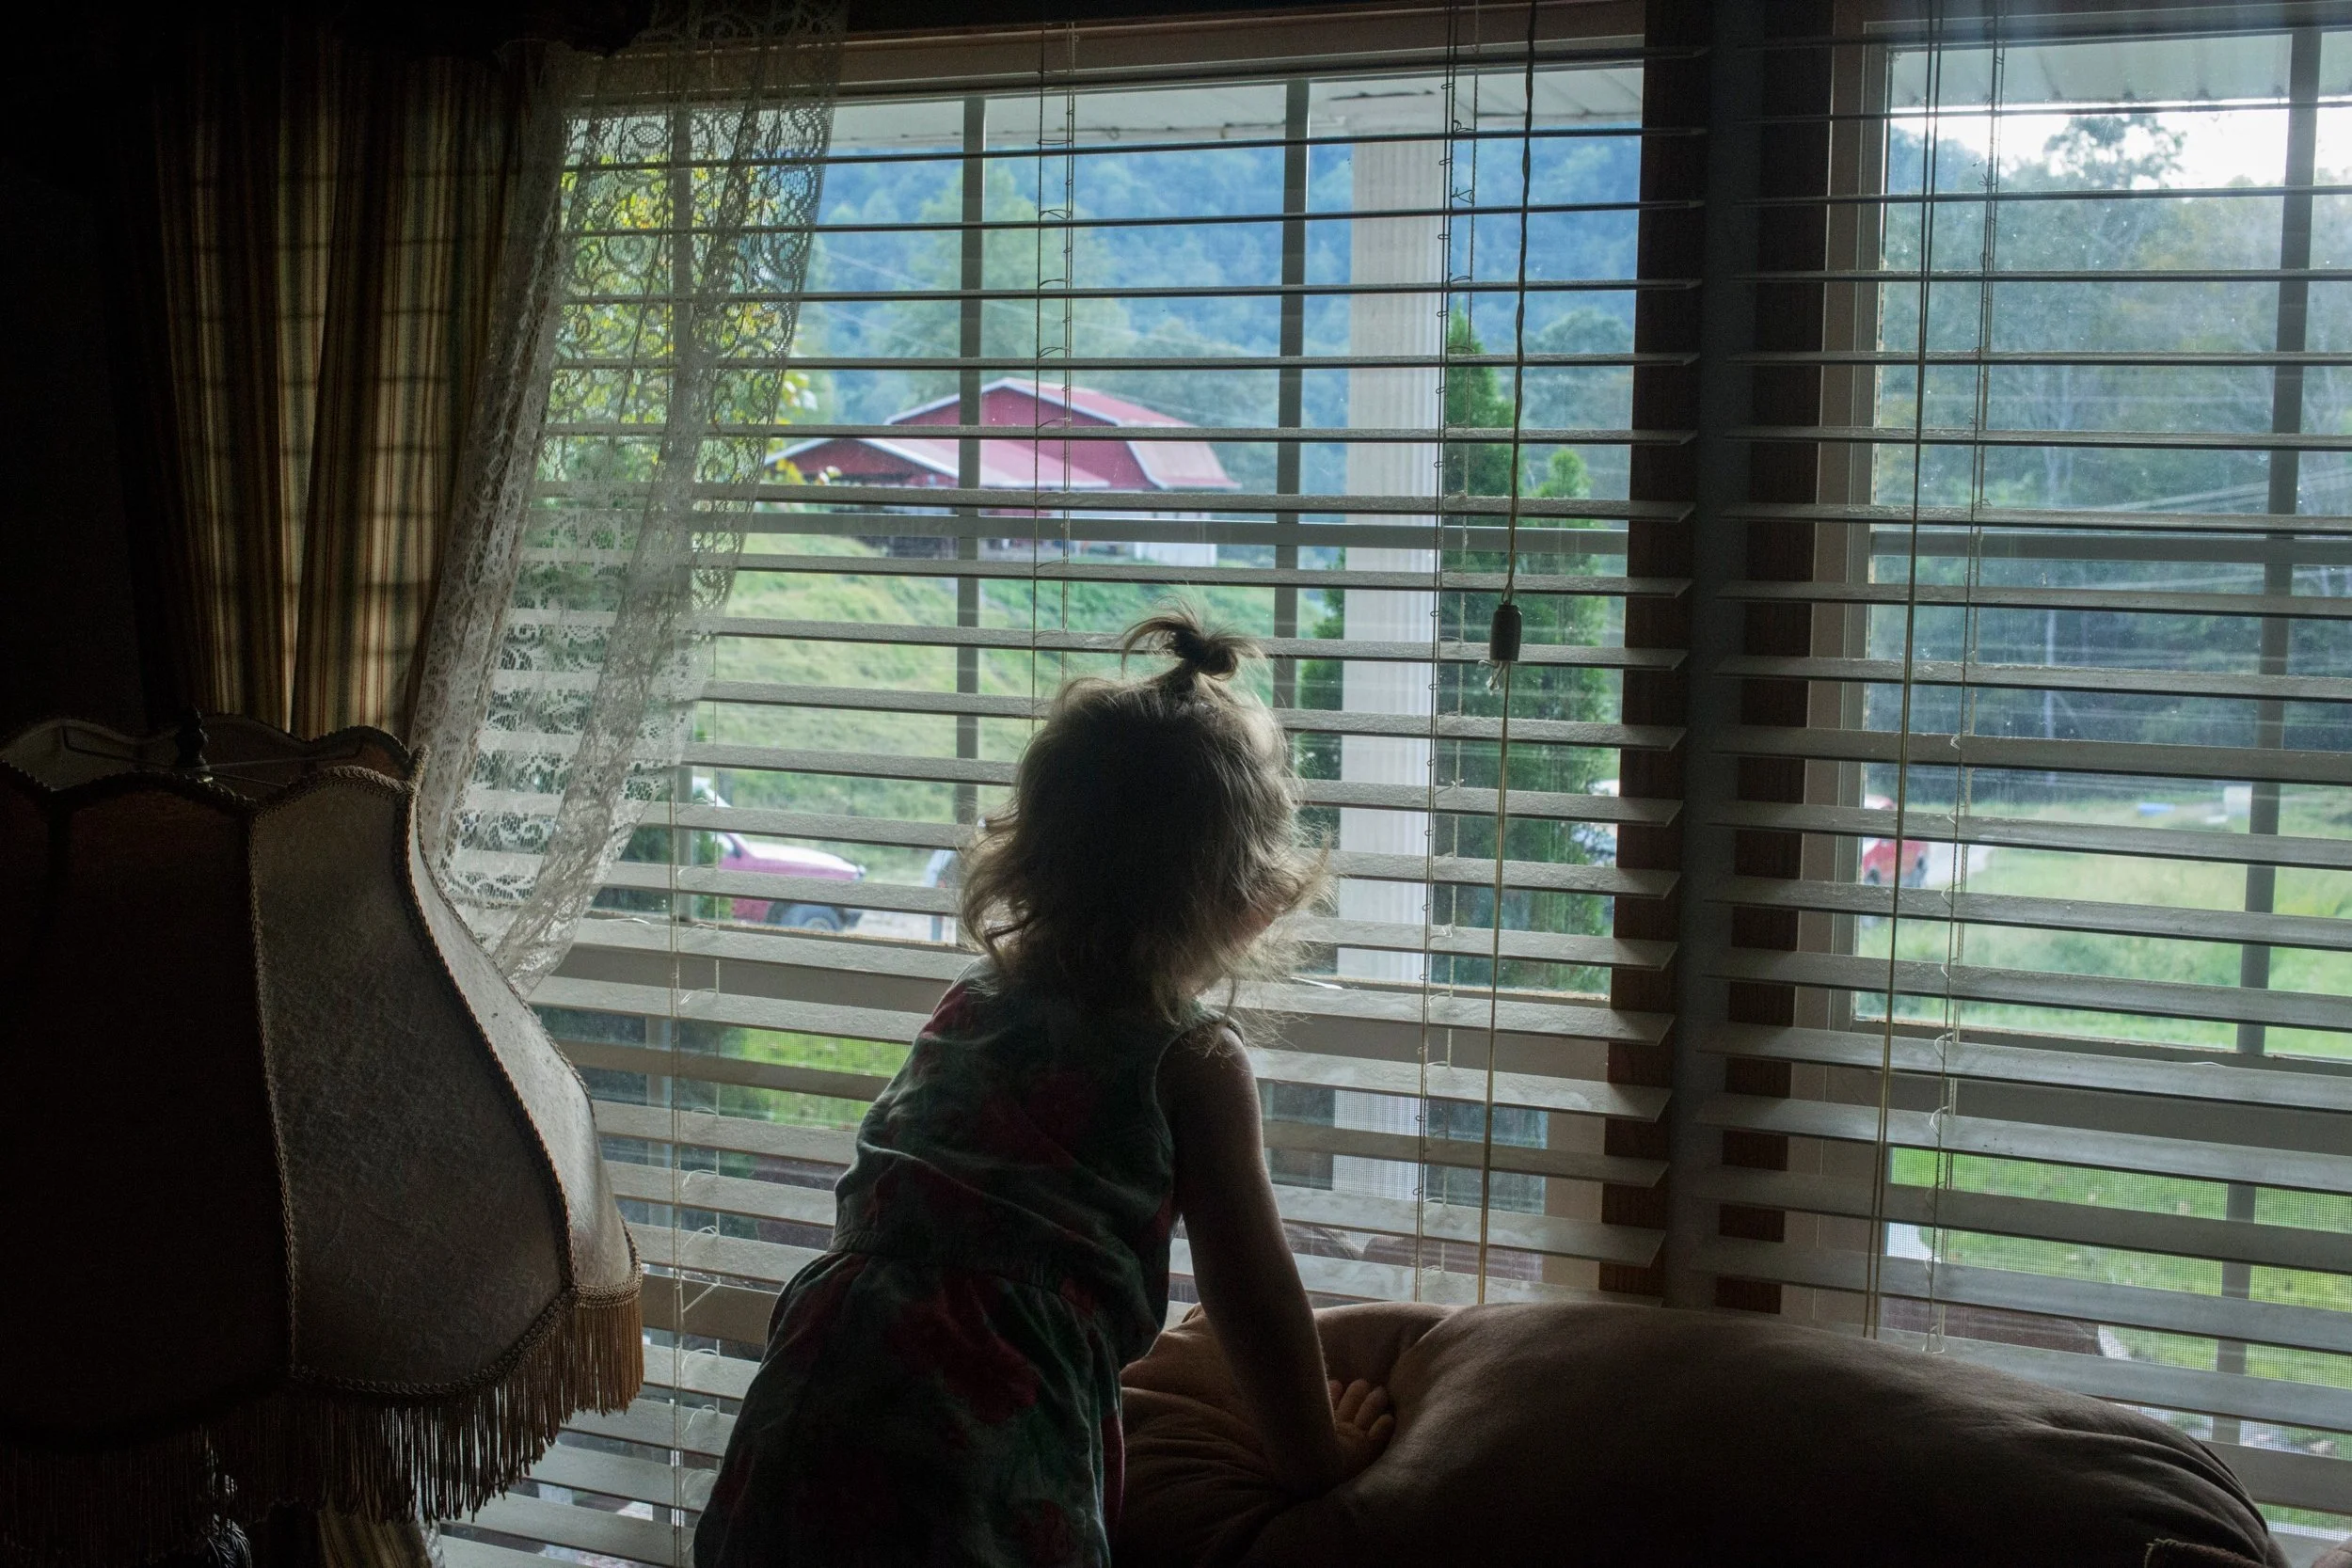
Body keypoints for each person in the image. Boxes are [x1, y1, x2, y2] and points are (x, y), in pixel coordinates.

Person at [694, 609, 1395, 1567]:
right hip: (983, 1425)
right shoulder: (1191, 1059)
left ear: (1029, 852)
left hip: (817, 1376)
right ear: (1250, 901)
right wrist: (1321, 1456)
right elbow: (1254, 1294)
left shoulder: (972, 1001)